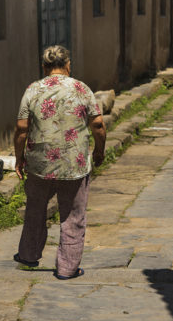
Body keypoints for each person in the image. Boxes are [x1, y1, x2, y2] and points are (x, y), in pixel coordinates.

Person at [13, 45, 106, 279]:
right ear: (68, 65)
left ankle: (28, 255)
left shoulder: (33, 89)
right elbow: (97, 125)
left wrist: (19, 157)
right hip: (74, 164)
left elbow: (22, 129)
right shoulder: (81, 89)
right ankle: (67, 268)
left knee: (35, 210)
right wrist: (99, 150)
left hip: (39, 164)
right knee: (73, 216)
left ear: (44, 67)